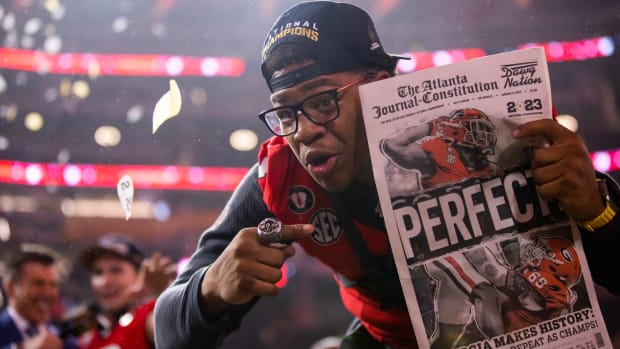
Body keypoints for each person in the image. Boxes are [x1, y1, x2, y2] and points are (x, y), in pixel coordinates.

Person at [154, 2, 620, 348]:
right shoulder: (279, 177)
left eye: (323, 100)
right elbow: (166, 329)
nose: (306, 132)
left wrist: (598, 211)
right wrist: (210, 288)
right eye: (286, 113)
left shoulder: (491, 136)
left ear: (381, 87)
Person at [72, 233, 176, 349]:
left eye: (116, 270)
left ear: (139, 275)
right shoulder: (89, 335)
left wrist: (164, 297)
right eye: (98, 272)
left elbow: (179, 330)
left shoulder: (148, 318)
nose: (105, 281)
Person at [0, 248, 66, 349]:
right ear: (11, 289)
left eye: (53, 285)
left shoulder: (63, 340)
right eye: (38, 284)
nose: (48, 294)